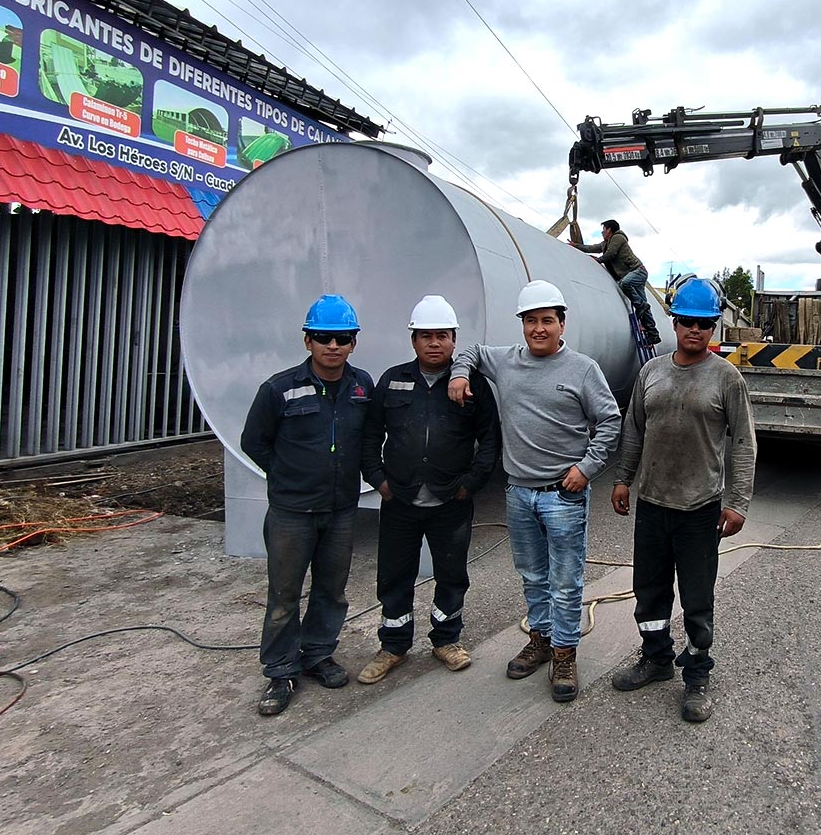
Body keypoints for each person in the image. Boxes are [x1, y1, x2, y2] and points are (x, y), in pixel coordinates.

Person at [448, 280, 621, 703]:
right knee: (533, 575)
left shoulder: (582, 369)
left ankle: (564, 654)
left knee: (566, 581)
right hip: (519, 493)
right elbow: (472, 350)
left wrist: (586, 468)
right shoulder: (506, 361)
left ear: (562, 324)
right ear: (522, 325)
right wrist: (459, 373)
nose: (538, 328)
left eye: (547, 320)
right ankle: (541, 640)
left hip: (563, 495)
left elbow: (610, 421)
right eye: (530, 321)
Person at [609, 278, 756, 723]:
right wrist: (623, 479)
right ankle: (656, 658)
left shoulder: (726, 378)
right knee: (649, 591)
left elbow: (743, 443)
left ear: (713, 328)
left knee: (696, 598)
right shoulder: (651, 372)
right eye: (688, 321)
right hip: (653, 504)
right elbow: (634, 429)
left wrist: (738, 502)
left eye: (704, 324)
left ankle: (696, 675)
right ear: (674, 322)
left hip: (699, 509)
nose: (695, 329)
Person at [240, 294, 374, 717]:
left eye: (342, 338)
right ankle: (281, 670)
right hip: (292, 513)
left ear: (353, 342)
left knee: (332, 590)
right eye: (323, 337)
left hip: (341, 510)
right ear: (307, 341)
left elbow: (369, 440)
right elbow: (254, 442)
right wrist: (287, 477)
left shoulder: (361, 386)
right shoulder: (278, 389)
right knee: (284, 594)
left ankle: (317, 654)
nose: (333, 346)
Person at [358, 295, 501, 684]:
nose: (434, 343)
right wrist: (378, 479)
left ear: (454, 339)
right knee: (394, 574)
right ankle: (393, 645)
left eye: (442, 336)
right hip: (400, 499)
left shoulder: (472, 385)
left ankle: (446, 640)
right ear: (413, 340)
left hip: (451, 500)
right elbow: (370, 435)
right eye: (425, 336)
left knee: (451, 573)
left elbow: (490, 440)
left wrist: (470, 485)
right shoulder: (393, 380)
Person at [570, 219, 661, 345]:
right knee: (644, 308)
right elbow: (592, 248)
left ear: (609, 230)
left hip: (637, 271)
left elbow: (611, 253)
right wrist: (576, 246)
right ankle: (653, 334)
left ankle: (641, 306)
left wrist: (599, 260)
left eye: (603, 229)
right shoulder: (605, 243)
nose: (602, 232)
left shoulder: (618, 238)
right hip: (633, 273)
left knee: (625, 284)